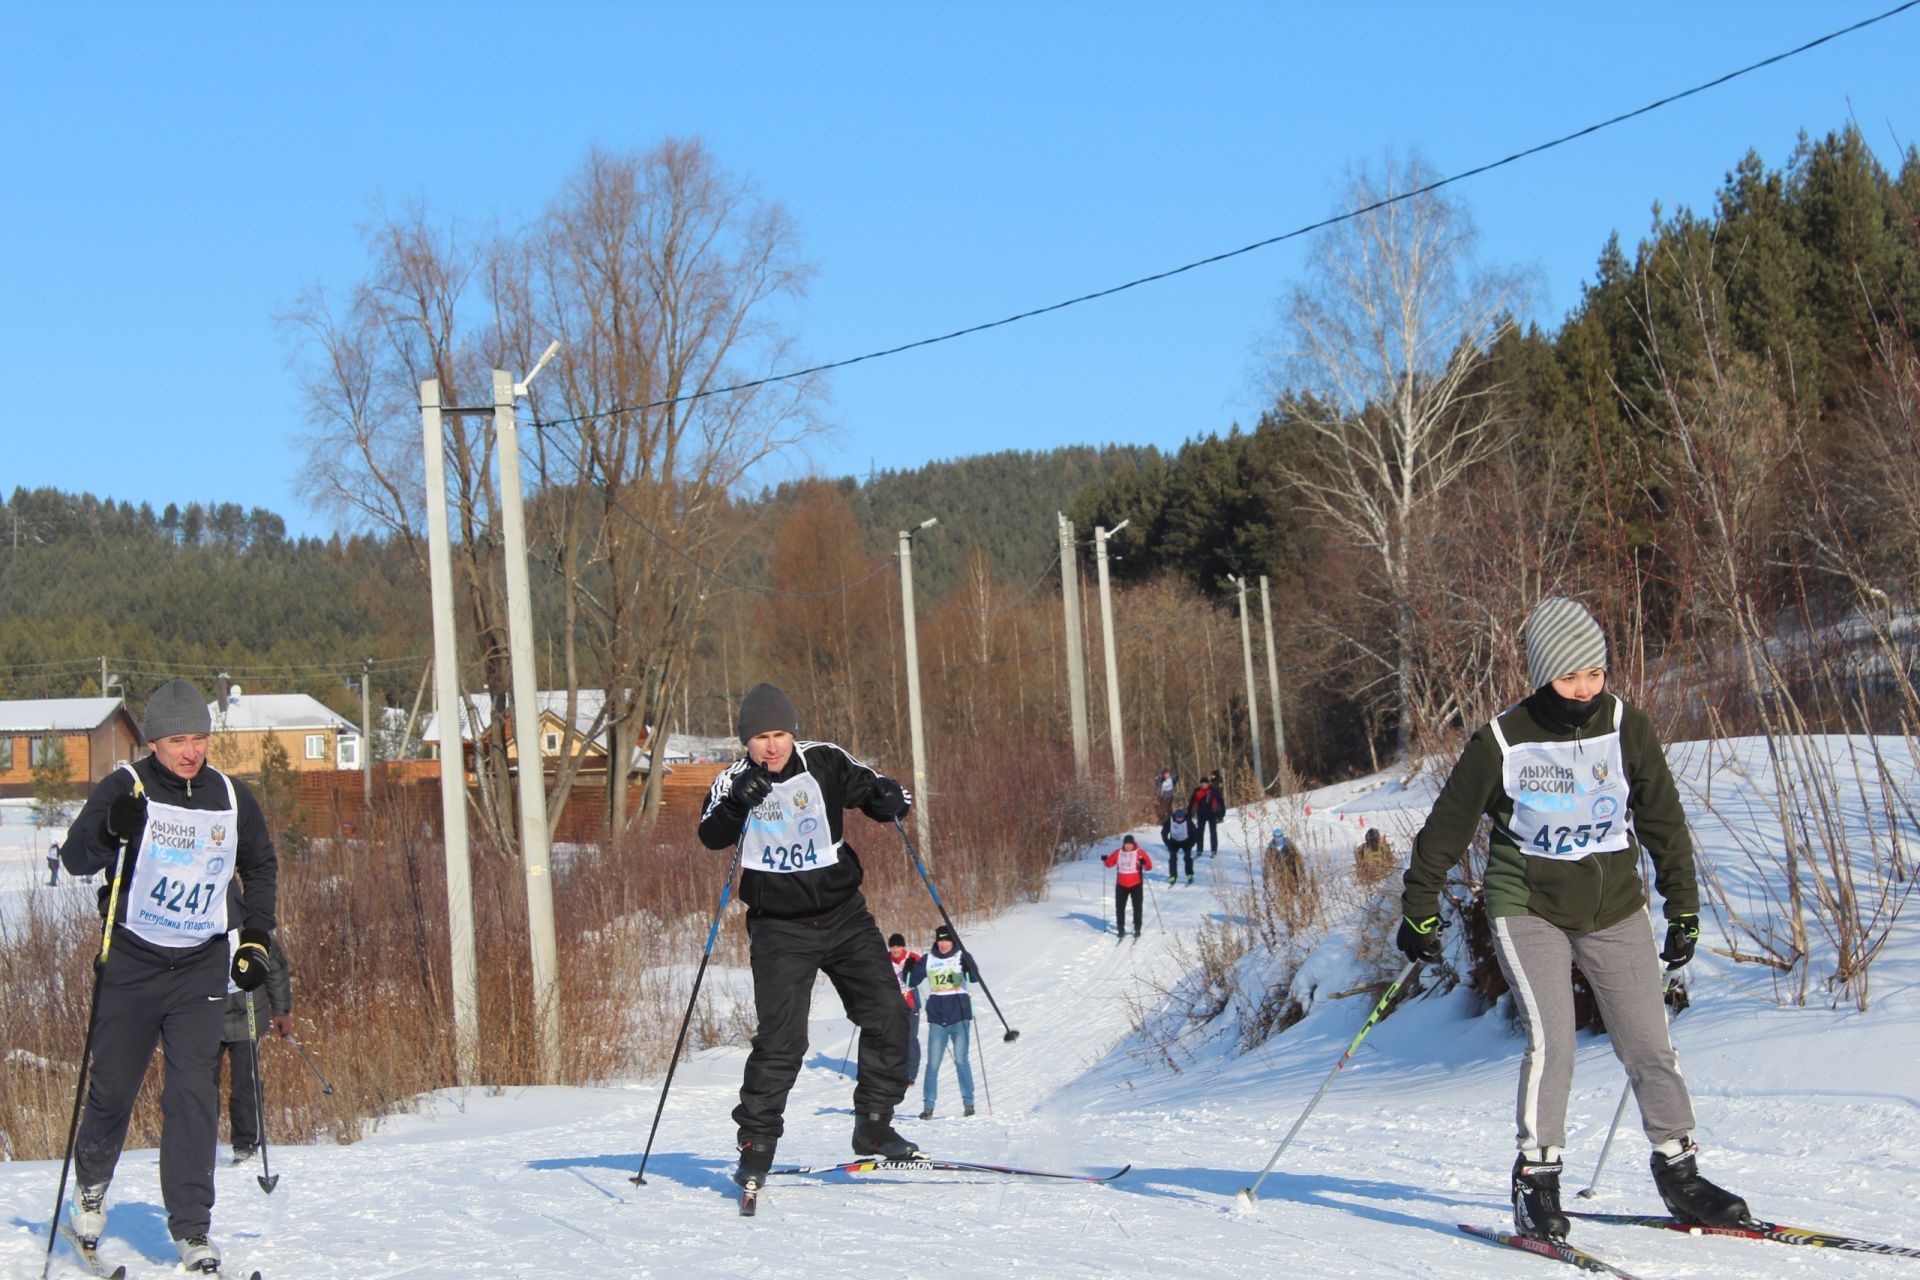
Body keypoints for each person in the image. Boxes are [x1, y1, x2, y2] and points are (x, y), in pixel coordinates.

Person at [1398, 597, 1748, 1245]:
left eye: (1594, 674)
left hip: (1613, 903)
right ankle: (1537, 1180)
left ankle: (1680, 1172)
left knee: (1649, 1043)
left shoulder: (1625, 726)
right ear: (1542, 675)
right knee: (1553, 1040)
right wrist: (1419, 908)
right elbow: (1445, 830)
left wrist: (1684, 904)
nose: (1584, 689)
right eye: (1570, 677)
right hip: (1526, 901)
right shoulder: (1502, 741)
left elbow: (1663, 821)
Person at [58, 679, 279, 1275]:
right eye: (178, 739)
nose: (191, 751)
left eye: (200, 738)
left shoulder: (230, 796)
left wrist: (256, 937)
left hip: (199, 966)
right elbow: (77, 858)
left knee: (192, 1096)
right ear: (153, 741)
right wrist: (111, 830)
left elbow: (259, 865)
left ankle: (192, 1230)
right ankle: (91, 1189)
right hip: (133, 960)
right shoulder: (125, 787)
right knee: (113, 1089)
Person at [697, 683, 918, 1190]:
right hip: (780, 930)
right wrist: (736, 806)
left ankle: (875, 1125)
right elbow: (710, 834)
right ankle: (756, 1145)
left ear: (791, 733)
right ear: (745, 741)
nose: (771, 746)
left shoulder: (824, 761)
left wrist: (891, 800)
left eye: (779, 734)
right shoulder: (733, 779)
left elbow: (882, 792)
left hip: (845, 916)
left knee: (888, 1013)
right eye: (759, 738)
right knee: (782, 1041)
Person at [217, 880, 292, 1164]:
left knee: (245, 1082)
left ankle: (246, 1143)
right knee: (201, 1083)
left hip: (248, 1013)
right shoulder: (198, 928)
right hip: (209, 1015)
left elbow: (275, 970)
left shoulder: (251, 932)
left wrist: (281, 1012)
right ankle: (197, 1144)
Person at [915, 924, 980, 1120]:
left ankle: (969, 1104)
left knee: (961, 1061)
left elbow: (974, 978)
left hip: (959, 1018)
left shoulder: (961, 956)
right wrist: (911, 968)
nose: (943, 944)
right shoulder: (929, 959)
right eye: (940, 940)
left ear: (953, 941)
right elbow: (911, 981)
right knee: (933, 1064)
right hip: (937, 1020)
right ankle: (928, 1107)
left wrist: (969, 966)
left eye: (947, 940)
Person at [887, 932, 924, 1088]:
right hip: (893, 1004)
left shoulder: (912, 956)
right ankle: (895, 1072)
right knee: (893, 1040)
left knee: (910, 1039)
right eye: (893, 946)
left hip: (910, 1003)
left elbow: (923, 971)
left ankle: (911, 1075)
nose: (895, 950)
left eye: (898, 946)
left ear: (903, 947)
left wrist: (913, 969)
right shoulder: (886, 958)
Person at [1102, 833, 1153, 938]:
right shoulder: (1118, 853)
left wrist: (1144, 863)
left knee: (1137, 907)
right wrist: (1105, 859)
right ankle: (1121, 929)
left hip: (1136, 884)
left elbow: (1149, 867)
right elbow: (1109, 864)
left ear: (1133, 844)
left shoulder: (1140, 853)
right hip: (1121, 885)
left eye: (1130, 844)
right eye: (1126, 844)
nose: (1128, 846)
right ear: (1123, 844)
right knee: (1120, 907)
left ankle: (1137, 928)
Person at [1190, 772, 1225, 855]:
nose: (1203, 785)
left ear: (1208, 784)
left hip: (1212, 814)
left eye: (1205, 784)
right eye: (1202, 784)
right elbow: (1192, 802)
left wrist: (1221, 815)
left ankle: (1214, 850)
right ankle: (1199, 850)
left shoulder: (1213, 790)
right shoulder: (1197, 791)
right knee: (1200, 832)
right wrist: (1189, 813)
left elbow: (1221, 802)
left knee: (1213, 832)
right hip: (1201, 814)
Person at [1161, 807, 1198, 884]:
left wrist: (1192, 843)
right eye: (1178, 818)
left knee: (1188, 857)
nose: (1179, 820)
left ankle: (1189, 875)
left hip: (1186, 841)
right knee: (1172, 858)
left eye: (1181, 818)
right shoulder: (1170, 821)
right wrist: (1167, 843)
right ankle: (1173, 876)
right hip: (1174, 841)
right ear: (1175, 817)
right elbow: (1164, 832)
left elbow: (1194, 833)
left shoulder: (1188, 821)